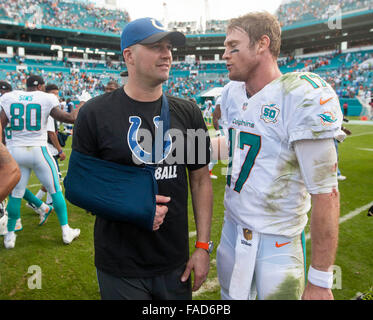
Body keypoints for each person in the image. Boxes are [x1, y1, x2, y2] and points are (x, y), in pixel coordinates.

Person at [69, 17, 213, 300]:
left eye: (169, 46)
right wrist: (134, 205)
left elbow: (199, 180)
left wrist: (203, 246)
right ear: (129, 56)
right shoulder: (94, 114)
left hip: (175, 262)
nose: (167, 54)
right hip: (119, 265)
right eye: (155, 46)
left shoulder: (188, 112)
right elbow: (77, 186)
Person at [213, 12, 344, 300]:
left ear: (262, 43)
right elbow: (234, 138)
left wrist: (321, 279)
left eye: (233, 46)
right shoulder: (231, 93)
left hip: (277, 244)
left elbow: (326, 193)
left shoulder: (299, 95)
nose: (224, 55)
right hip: (231, 231)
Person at [0, 75, 81, 249]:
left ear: (26, 86)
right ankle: (66, 231)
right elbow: (69, 118)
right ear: (42, 86)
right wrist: (81, 104)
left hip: (15, 151)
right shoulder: (46, 97)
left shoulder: (9, 97)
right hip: (38, 150)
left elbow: (1, 124)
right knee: (55, 190)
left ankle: (10, 236)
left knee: (16, 194)